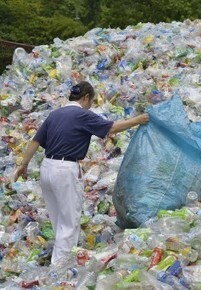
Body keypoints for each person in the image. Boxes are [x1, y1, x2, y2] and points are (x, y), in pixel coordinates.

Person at [14, 81, 149, 266]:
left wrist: (24, 165)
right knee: (70, 220)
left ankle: (61, 256)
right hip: (65, 169)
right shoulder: (82, 114)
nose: (90, 105)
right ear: (86, 98)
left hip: (46, 168)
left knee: (58, 217)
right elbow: (112, 128)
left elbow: (35, 141)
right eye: (91, 101)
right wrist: (137, 120)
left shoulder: (55, 114)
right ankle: (59, 268)